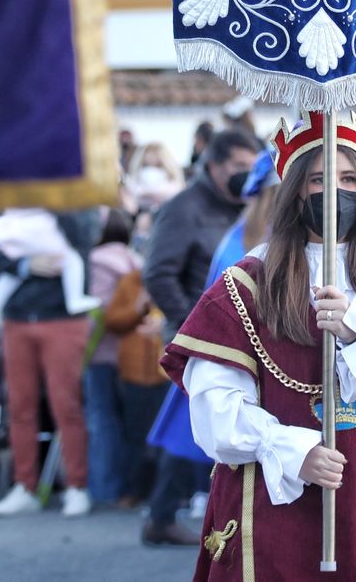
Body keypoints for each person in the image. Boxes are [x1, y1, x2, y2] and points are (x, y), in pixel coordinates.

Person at [160, 112, 356, 580]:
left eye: (348, 178)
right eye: (319, 180)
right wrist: (291, 451)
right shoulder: (245, 286)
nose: (336, 192)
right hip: (271, 503)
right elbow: (213, 411)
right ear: (294, 190)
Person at [141, 128, 261, 546]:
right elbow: (158, 273)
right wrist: (194, 325)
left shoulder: (244, 208)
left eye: (251, 167)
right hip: (196, 336)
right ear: (214, 167)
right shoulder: (183, 209)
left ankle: (211, 514)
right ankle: (162, 515)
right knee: (189, 424)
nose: (245, 175)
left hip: (232, 332)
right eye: (238, 167)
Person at [0, 208, 100, 518]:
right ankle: (25, 485)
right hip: (17, 318)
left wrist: (57, 204)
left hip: (62, 319)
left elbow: (83, 237)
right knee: (19, 406)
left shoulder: (70, 204)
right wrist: (23, 264)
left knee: (66, 404)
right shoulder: (11, 202)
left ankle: (76, 485)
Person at [85, 207, 147, 507]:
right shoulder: (134, 260)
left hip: (99, 351)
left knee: (101, 417)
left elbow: (98, 310)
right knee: (127, 423)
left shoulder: (96, 261)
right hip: (131, 353)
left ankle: (105, 487)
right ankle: (129, 485)